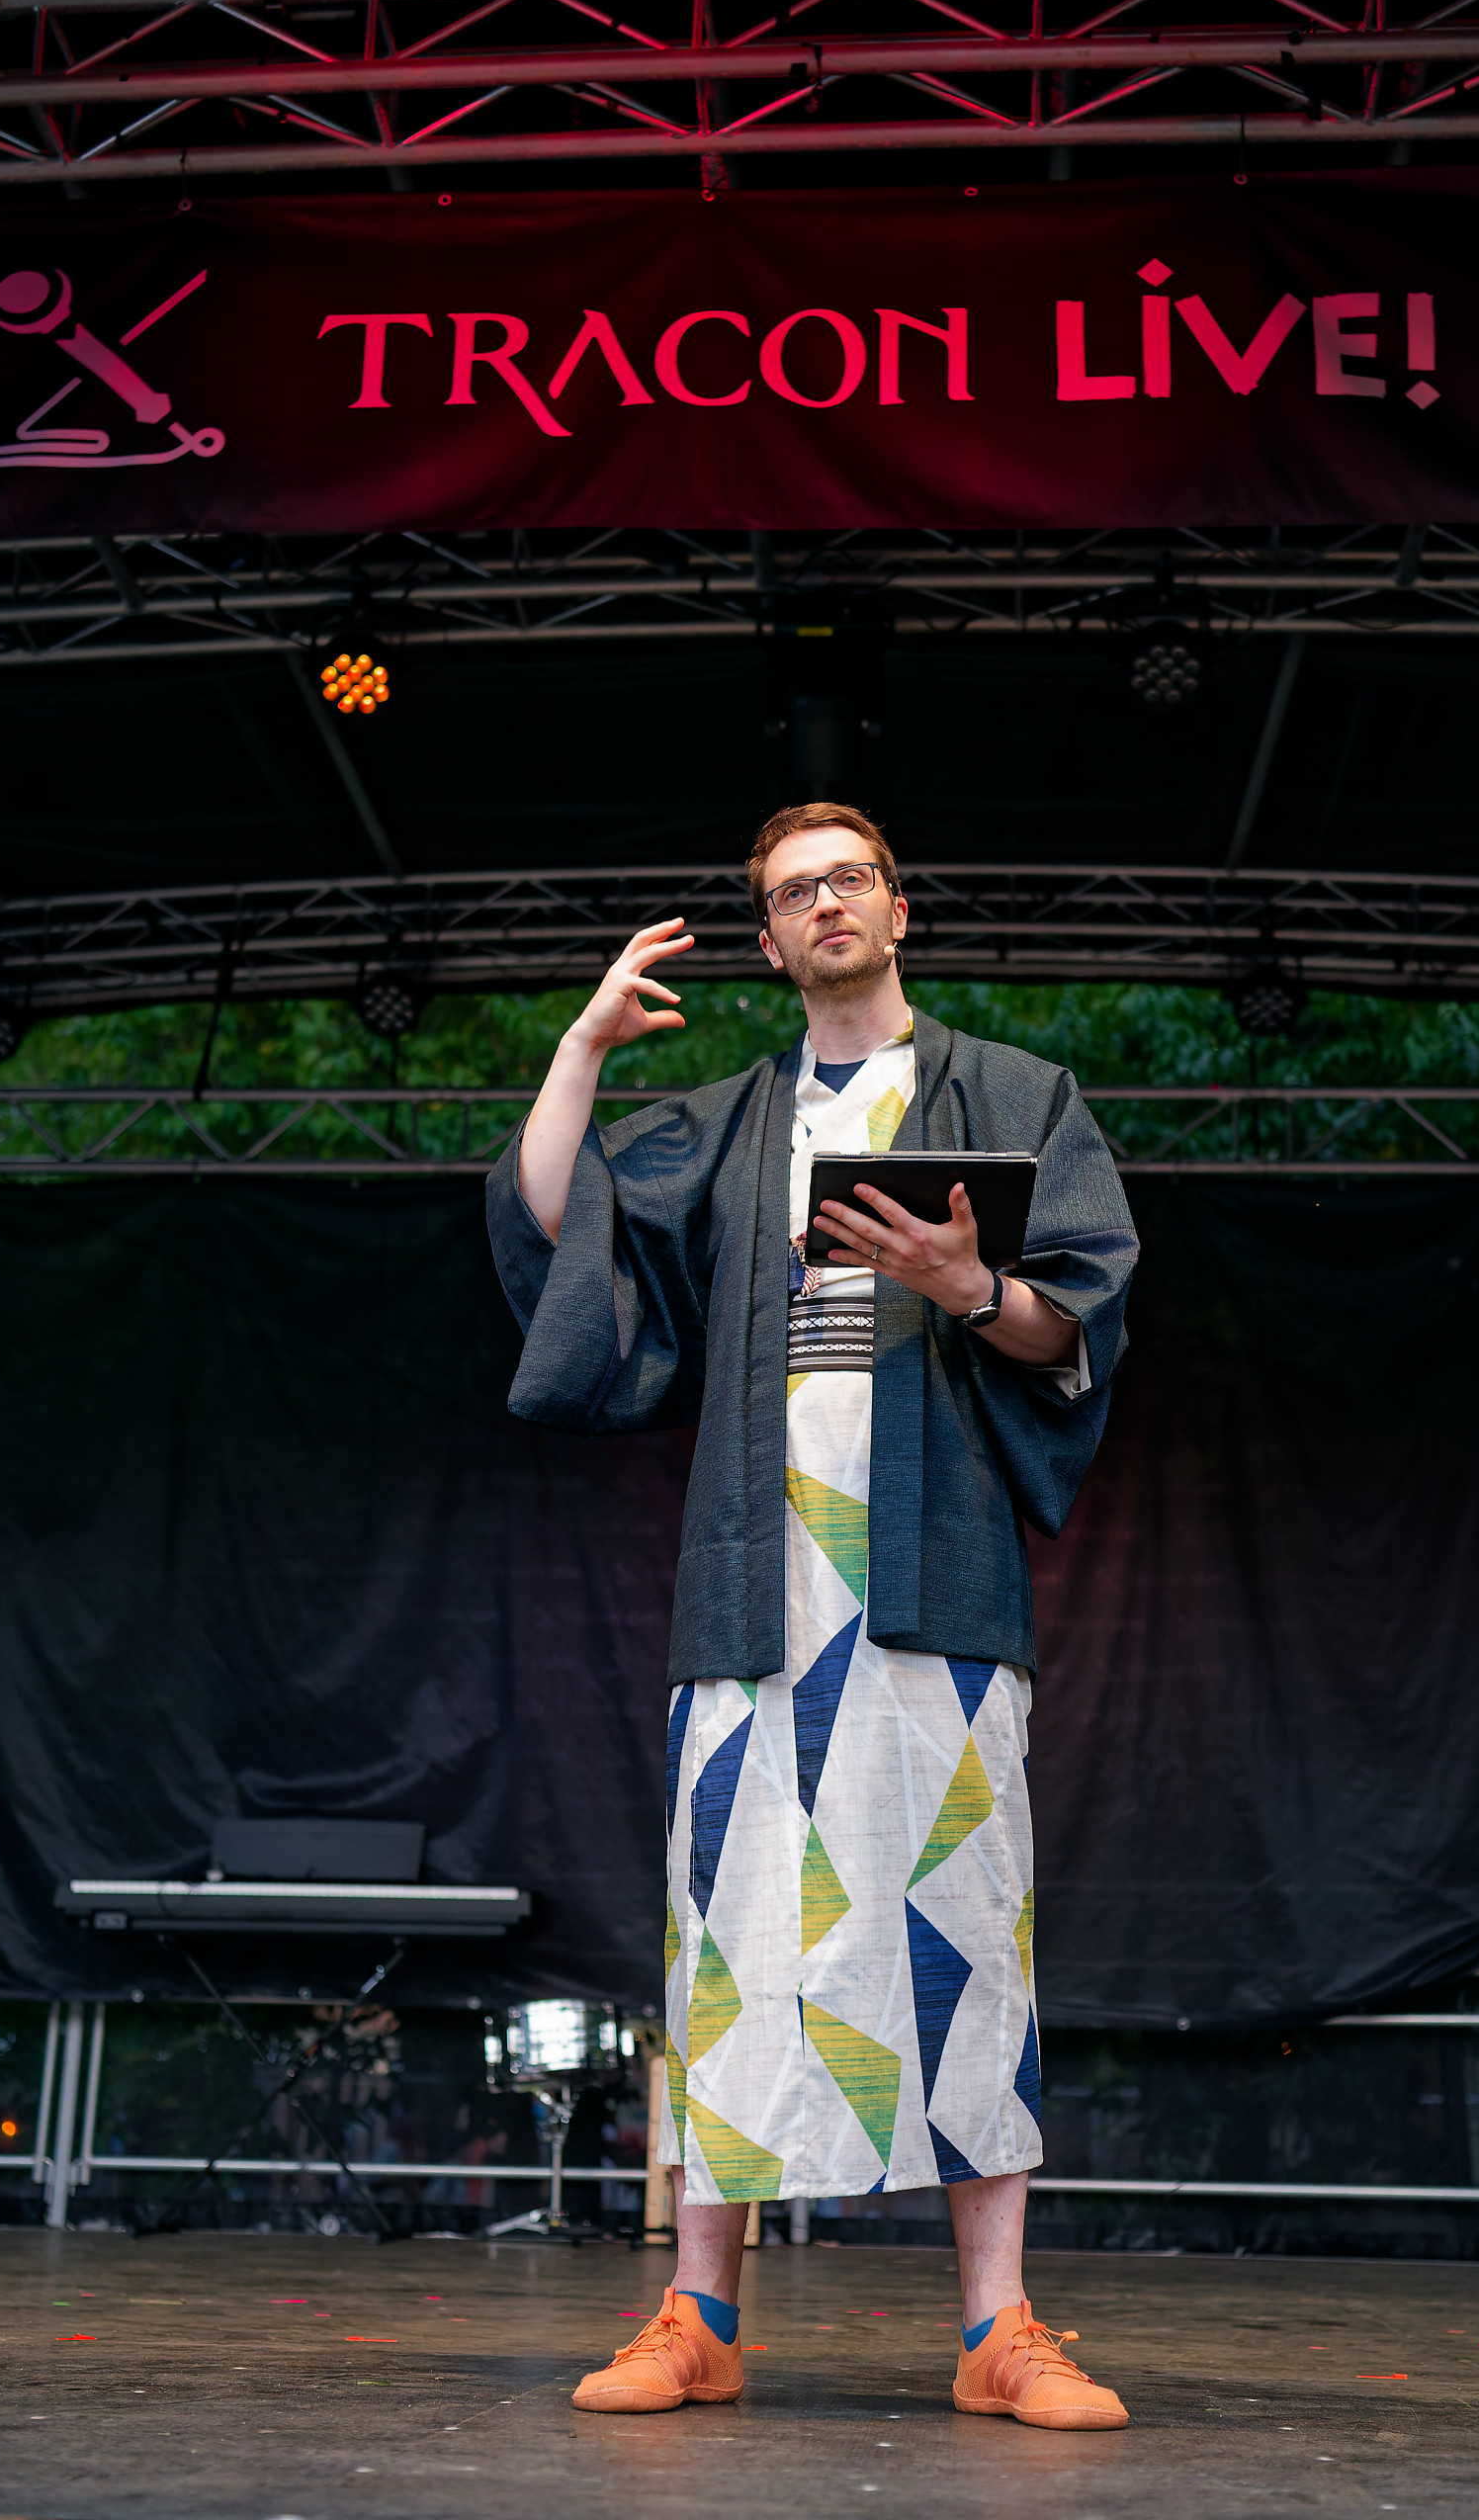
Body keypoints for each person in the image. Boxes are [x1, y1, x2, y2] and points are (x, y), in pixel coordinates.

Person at [487, 802, 1139, 2430]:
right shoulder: (722, 1124)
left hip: (935, 1574)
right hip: (754, 1585)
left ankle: (998, 2328)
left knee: (961, 1931)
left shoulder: (1018, 1096)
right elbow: (562, 1229)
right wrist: (579, 1047)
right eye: (793, 893)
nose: (825, 903)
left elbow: (1075, 1317)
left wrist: (963, 1286)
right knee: (732, 1935)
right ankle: (698, 2312)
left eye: (849, 877)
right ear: (769, 942)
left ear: (897, 909)